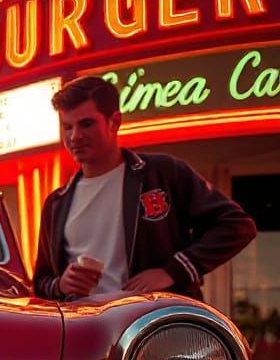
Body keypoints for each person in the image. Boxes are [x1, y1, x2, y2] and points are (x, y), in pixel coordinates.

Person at [32, 75, 256, 302]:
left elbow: (236, 225)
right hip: (82, 328)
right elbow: (41, 283)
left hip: (154, 325)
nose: (75, 136)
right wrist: (61, 284)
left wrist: (171, 270)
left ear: (115, 122)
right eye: (67, 127)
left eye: (86, 124)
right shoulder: (55, 203)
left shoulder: (161, 173)